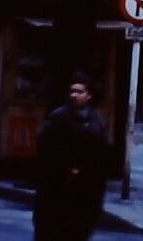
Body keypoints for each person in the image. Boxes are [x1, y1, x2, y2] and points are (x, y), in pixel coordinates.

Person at [34, 72, 112, 241]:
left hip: (86, 188)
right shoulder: (59, 117)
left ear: (89, 95)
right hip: (60, 186)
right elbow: (45, 147)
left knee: (79, 230)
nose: (74, 95)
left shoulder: (96, 120)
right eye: (72, 91)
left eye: (79, 91)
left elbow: (102, 151)